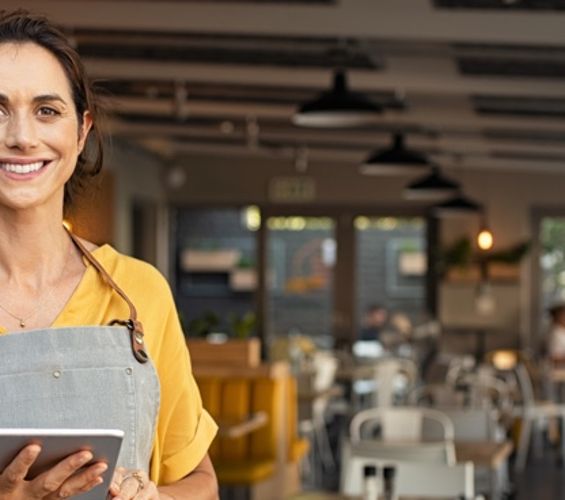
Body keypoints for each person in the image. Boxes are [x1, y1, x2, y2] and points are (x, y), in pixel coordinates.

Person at [0, 10, 218, 500]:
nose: (21, 136)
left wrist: (155, 499)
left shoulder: (141, 292)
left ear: (81, 131)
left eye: (47, 111)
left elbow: (201, 484)